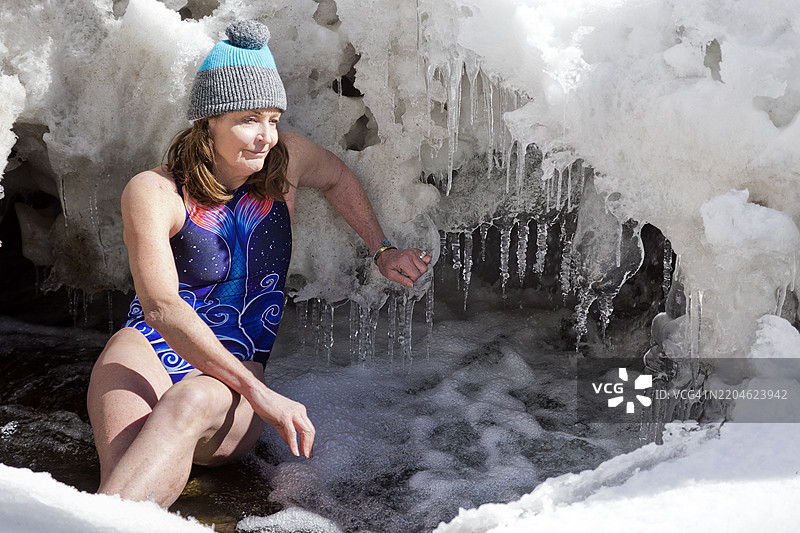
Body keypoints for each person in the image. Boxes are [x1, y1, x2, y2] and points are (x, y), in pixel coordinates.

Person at [86, 20, 431, 508]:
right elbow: (162, 307)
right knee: (121, 490)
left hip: (228, 374)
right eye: (249, 119)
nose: (266, 135)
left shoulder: (285, 163)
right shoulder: (154, 191)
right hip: (150, 349)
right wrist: (263, 395)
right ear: (208, 122)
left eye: (272, 117)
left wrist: (382, 250)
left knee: (192, 401)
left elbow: (336, 178)